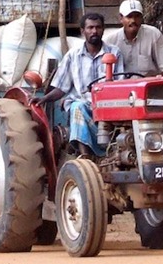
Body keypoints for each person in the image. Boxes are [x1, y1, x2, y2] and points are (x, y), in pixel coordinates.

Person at [32, 13, 124, 157]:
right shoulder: (73, 55)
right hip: (85, 105)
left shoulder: (114, 52)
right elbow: (62, 87)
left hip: (108, 105)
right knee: (77, 106)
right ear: (83, 31)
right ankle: (84, 156)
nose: (94, 31)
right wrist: (45, 99)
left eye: (98, 27)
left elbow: (120, 84)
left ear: (103, 30)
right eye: (90, 27)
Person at [104, 0, 163, 76]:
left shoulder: (153, 34)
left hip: (148, 86)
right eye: (129, 16)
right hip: (121, 86)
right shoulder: (110, 40)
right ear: (121, 18)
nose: (133, 20)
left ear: (142, 18)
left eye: (137, 16)